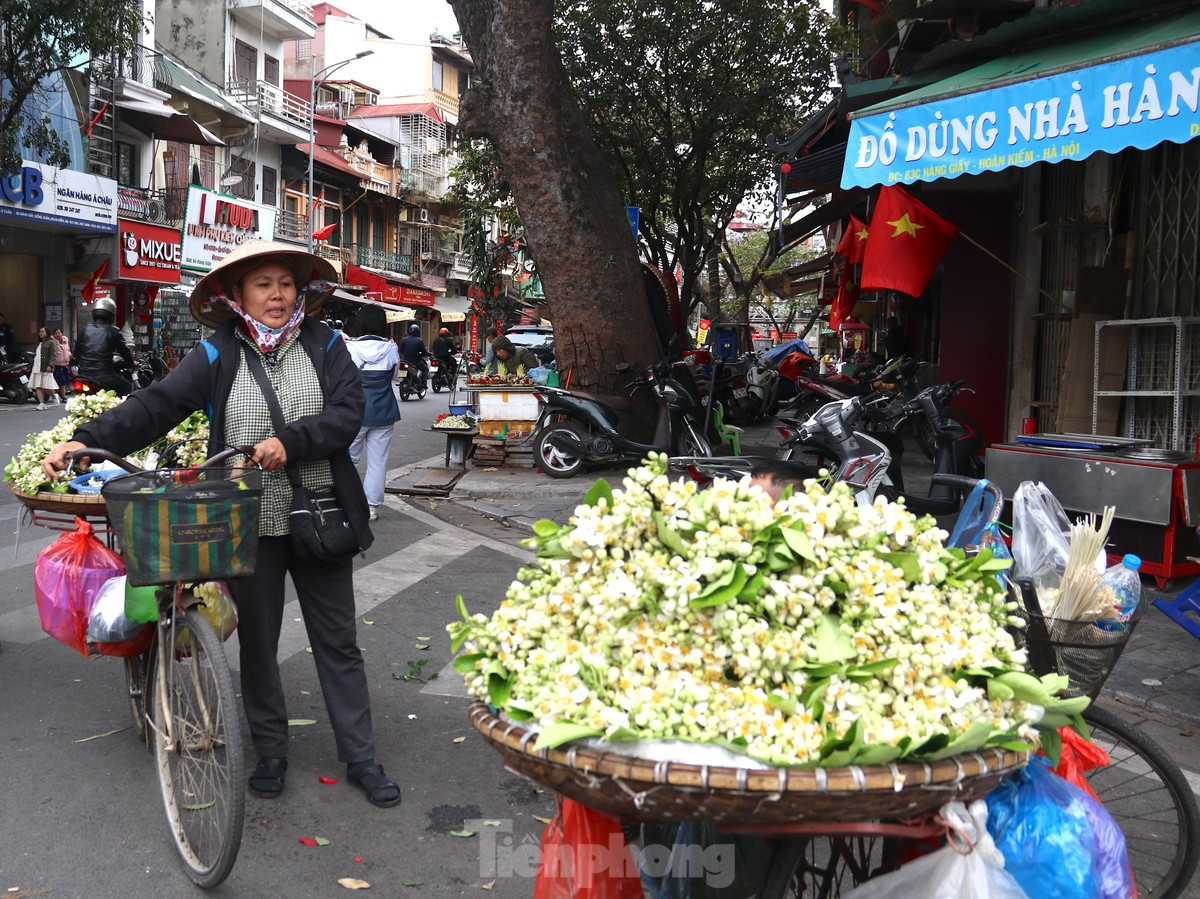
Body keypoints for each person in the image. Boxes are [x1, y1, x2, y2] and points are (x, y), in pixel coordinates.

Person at [41, 239, 401, 809]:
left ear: (300, 290)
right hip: (245, 520)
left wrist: (291, 441)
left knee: (338, 641)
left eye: (285, 283)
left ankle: (362, 757)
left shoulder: (326, 344)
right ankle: (271, 752)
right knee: (258, 643)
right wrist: (85, 440)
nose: (277, 295)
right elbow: (156, 405)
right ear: (238, 294)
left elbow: (346, 413)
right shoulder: (217, 352)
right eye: (263, 285)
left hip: (319, 514)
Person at [346, 305, 401, 521]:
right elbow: (394, 376)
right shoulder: (391, 349)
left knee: (349, 460)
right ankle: (371, 507)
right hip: (384, 412)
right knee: (378, 462)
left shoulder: (349, 348)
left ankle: (349, 504)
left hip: (354, 412)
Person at [74, 297, 133, 395]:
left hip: (83, 375)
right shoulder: (113, 331)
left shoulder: (84, 330)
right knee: (127, 387)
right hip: (105, 376)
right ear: (111, 315)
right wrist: (131, 364)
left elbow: (77, 353)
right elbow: (125, 351)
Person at [29, 326, 58, 409]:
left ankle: (54, 396)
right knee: (38, 386)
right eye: (40, 332)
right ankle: (42, 403)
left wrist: (50, 365)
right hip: (37, 366)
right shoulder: (38, 343)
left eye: (43, 331)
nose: (41, 333)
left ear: (47, 333)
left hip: (45, 366)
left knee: (46, 387)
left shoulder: (51, 343)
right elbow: (36, 353)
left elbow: (53, 355)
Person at [398, 323, 430, 387]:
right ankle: (423, 382)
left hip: (405, 360)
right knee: (425, 369)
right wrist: (428, 354)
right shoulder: (419, 341)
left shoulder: (404, 339)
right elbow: (423, 352)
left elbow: (401, 350)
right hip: (415, 361)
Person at [52, 327, 71, 402]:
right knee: (60, 381)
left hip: (65, 364)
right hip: (57, 364)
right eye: (56, 333)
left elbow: (68, 350)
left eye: (59, 333)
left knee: (65, 381)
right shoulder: (52, 342)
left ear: (62, 334)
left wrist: (69, 355)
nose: (57, 335)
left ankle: (62, 396)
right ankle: (61, 396)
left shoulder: (65, 341)